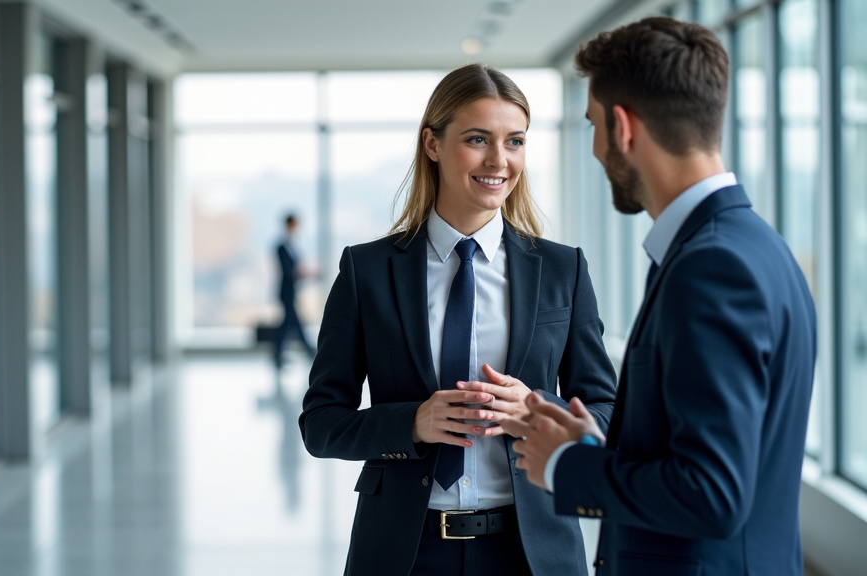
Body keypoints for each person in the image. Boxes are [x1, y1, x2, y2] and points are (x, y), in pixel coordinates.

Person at [501, 17, 817, 576]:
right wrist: (600, 447)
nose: (595, 150)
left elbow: (712, 494)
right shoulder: (756, 247)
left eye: (593, 124)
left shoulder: (711, 267)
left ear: (623, 127)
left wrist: (568, 467)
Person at [299, 63, 618, 576]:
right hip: (405, 552)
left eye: (515, 141)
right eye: (477, 139)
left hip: (531, 552)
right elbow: (320, 425)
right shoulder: (368, 271)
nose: (500, 160)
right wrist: (413, 423)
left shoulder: (564, 270)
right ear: (432, 144)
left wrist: (538, 409)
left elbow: (606, 412)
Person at [273, 213, 316, 368]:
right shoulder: (281, 247)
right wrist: (306, 273)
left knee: (286, 325)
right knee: (295, 323)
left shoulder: (292, 246)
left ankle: (278, 355)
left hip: (292, 291)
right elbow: (288, 271)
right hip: (286, 292)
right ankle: (310, 351)